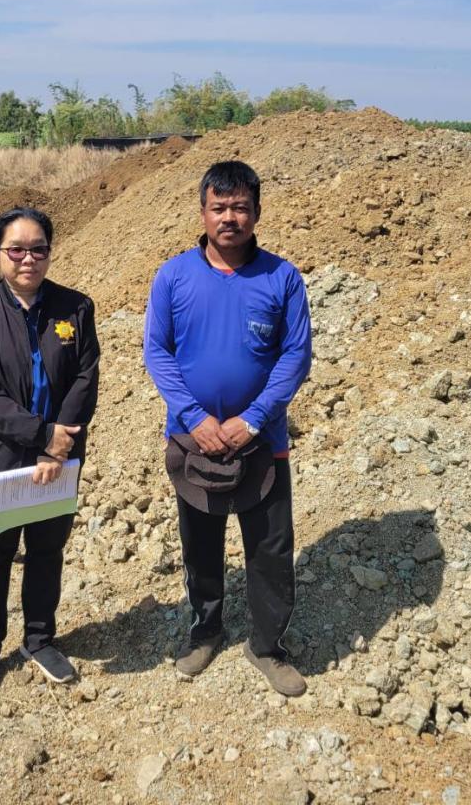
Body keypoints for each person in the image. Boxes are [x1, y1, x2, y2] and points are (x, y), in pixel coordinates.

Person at [143, 160, 312, 696]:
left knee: (270, 549)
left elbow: (295, 355)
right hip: (194, 440)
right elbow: (157, 351)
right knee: (201, 545)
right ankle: (205, 631)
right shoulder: (173, 277)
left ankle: (268, 646)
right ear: (203, 212)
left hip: (264, 443)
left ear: (257, 212)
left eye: (240, 207)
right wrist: (196, 418)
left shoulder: (282, 278)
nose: (229, 217)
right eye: (219, 207)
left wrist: (254, 419)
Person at [0, 206, 100, 695]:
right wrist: (42, 436)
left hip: (59, 456)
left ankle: (39, 639)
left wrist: (58, 445)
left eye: (38, 249)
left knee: (46, 550)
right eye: (16, 250)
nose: (28, 259)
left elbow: (85, 377)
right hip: (0, 459)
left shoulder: (75, 307)